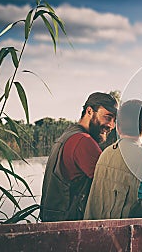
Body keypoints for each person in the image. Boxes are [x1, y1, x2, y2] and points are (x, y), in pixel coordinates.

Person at [40, 92, 118, 222]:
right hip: (69, 227)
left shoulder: (68, 135)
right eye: (108, 117)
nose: (111, 125)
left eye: (114, 120)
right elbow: (112, 188)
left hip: (54, 223)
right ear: (89, 111)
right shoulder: (83, 141)